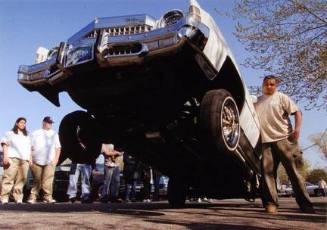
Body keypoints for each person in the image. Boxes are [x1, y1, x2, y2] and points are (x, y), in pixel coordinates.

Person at [254, 75, 314, 214]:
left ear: (276, 86)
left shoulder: (281, 97)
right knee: (268, 174)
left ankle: (306, 204)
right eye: (267, 84)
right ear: (262, 85)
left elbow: (297, 112)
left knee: (294, 173)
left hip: (285, 139)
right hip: (266, 142)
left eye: (272, 84)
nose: (269, 86)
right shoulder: (257, 101)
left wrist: (297, 129)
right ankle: (271, 204)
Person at [28, 116, 61, 204]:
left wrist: (56, 159)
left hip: (50, 161)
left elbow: (58, 148)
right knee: (37, 180)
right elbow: (29, 147)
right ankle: (32, 197)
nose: (50, 124)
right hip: (36, 160)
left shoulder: (54, 134)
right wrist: (30, 159)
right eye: (48, 122)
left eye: (51, 123)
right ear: (43, 122)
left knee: (48, 180)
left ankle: (48, 197)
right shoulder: (35, 133)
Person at [0, 117, 32, 204]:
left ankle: (18, 197)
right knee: (9, 178)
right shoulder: (9, 133)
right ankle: (4, 197)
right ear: (17, 123)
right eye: (21, 122)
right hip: (12, 158)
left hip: (24, 159)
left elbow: (29, 148)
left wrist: (30, 159)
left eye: (24, 123)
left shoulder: (27, 135)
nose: (23, 124)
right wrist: (5, 157)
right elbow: (4, 145)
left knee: (22, 179)